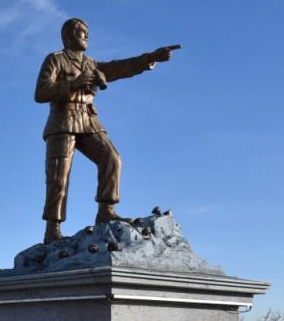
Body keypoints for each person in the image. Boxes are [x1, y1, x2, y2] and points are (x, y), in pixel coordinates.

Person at [35, 17, 177, 243]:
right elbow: (41, 92)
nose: (87, 35)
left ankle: (106, 211)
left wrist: (150, 58)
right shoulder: (56, 59)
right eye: (82, 32)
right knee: (58, 177)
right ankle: (52, 229)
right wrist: (73, 83)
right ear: (69, 36)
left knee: (112, 158)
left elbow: (119, 68)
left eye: (87, 32)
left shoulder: (90, 63)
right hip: (62, 121)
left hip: (88, 119)